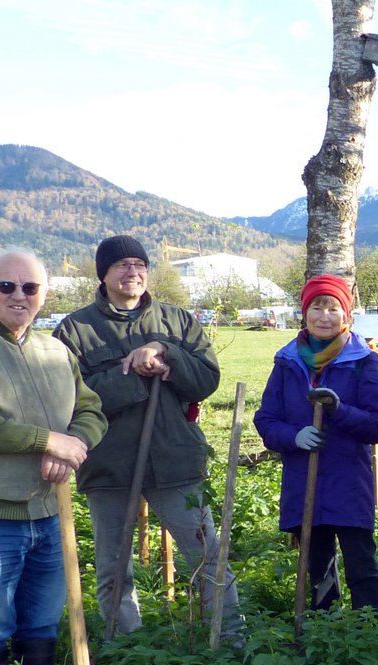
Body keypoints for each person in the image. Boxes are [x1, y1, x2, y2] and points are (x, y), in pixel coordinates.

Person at [54, 235, 243, 641]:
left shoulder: (176, 321)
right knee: (113, 570)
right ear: (102, 274)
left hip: (175, 461)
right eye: (121, 265)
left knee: (208, 558)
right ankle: (126, 648)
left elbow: (207, 379)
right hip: (108, 465)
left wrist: (166, 352)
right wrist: (131, 374)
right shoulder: (76, 329)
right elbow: (66, 395)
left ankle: (228, 643)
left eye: (139, 264)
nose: (132, 272)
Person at [0, 250, 107, 665]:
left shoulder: (56, 351)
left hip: (49, 511)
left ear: (43, 295)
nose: (19, 295)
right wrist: (48, 440)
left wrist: (74, 443)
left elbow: (91, 411)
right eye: (7, 286)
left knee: (42, 620)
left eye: (30, 287)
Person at [254, 274, 378, 616]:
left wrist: (339, 411)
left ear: (346, 315)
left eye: (333, 308)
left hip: (349, 482)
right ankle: (322, 636)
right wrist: (294, 437)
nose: (325, 316)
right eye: (317, 307)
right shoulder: (287, 362)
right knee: (318, 568)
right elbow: (267, 420)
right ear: (305, 312)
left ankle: (372, 637)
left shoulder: (363, 361)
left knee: (361, 564)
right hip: (304, 482)